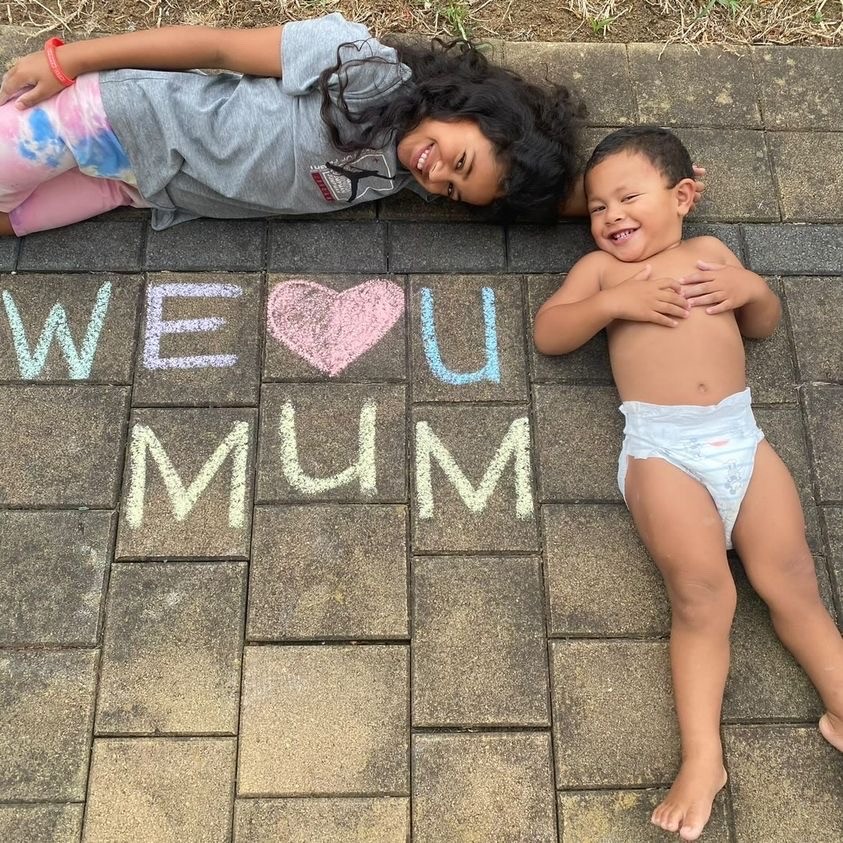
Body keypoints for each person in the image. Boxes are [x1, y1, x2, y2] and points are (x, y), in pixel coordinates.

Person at [534, 126, 843, 842]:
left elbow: (761, 325)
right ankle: (703, 756)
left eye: (626, 198)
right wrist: (612, 306)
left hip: (740, 438)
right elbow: (551, 332)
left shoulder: (708, 255)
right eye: (596, 208)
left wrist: (751, 287)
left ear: (682, 197)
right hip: (662, 451)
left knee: (793, 580)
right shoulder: (603, 273)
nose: (609, 217)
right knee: (704, 596)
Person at [0, 13, 584, 237]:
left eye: (453, 192)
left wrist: (624, 207)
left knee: (12, 223)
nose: (436, 179)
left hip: (133, 186)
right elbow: (218, 46)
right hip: (109, 119)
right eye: (458, 163)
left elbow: (531, 199)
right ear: (471, 108)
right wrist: (67, 60)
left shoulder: (406, 174)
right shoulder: (364, 70)